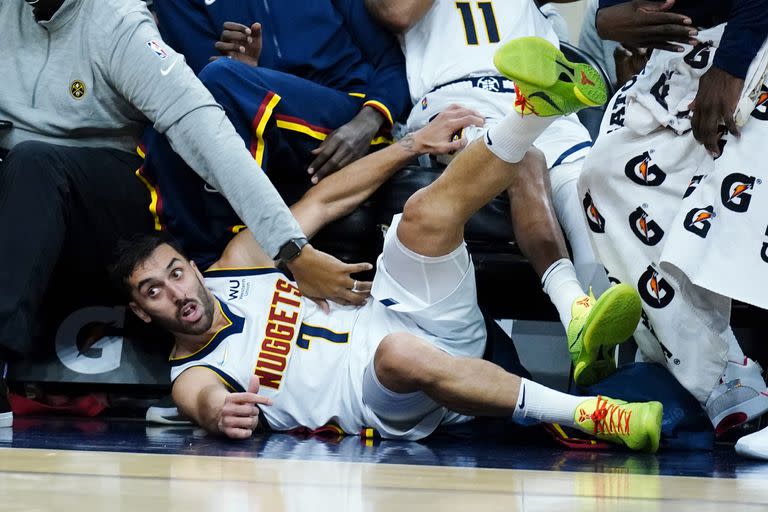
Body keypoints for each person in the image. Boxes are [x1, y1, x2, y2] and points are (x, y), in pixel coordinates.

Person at [112, 38, 662, 451]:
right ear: (141, 311)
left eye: (175, 272)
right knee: (397, 354)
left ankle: (532, 110)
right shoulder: (194, 372)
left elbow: (326, 200)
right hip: (379, 394)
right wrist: (218, 413)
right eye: (153, 291)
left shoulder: (239, 264)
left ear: (192, 265)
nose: (175, 292)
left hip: (411, 311)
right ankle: (591, 412)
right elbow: (201, 402)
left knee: (419, 216)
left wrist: (410, 145)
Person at [0, 0, 372, 427]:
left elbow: (204, 130)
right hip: (24, 181)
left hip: (122, 188)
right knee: (23, 165)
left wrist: (291, 248)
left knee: (34, 164)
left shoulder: (117, 22)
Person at [365, 0, 635, 386]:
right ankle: (571, 306)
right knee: (522, 158)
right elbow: (397, 11)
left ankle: (597, 355)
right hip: (459, 102)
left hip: (548, 90)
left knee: (589, 195)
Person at [575, 0, 768, 458]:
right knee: (603, 175)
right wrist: (605, 15)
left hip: (749, 42)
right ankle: (724, 380)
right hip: (682, 54)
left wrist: (730, 65)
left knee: (747, 195)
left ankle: (716, 382)